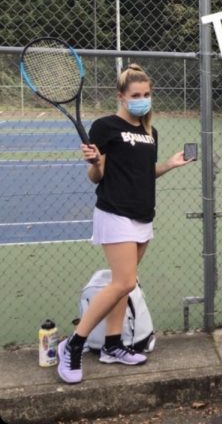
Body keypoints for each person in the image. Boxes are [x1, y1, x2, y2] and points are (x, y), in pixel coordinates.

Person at [57, 64, 193, 384]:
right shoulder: (105, 127)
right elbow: (97, 177)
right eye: (135, 95)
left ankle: (112, 346)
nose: (142, 100)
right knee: (123, 282)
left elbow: (145, 174)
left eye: (146, 95)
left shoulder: (150, 132)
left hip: (143, 213)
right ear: (121, 96)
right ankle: (72, 345)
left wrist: (170, 164)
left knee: (126, 284)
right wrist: (93, 162)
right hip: (114, 212)